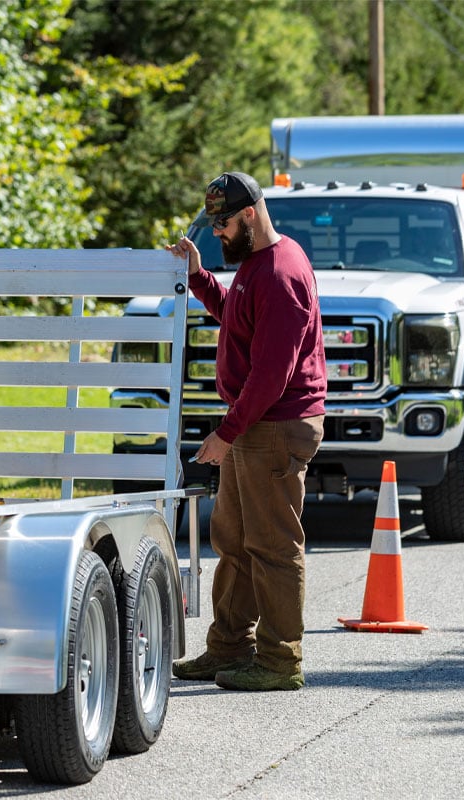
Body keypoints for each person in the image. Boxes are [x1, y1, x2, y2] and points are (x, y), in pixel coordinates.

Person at [166, 171, 327, 692]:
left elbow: (271, 374)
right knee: (233, 540)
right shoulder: (258, 264)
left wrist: (227, 433)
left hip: (273, 427)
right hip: (257, 424)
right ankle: (229, 647)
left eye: (223, 224)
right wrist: (197, 275)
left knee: (273, 546)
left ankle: (281, 660)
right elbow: (235, 316)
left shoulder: (280, 273)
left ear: (250, 216)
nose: (216, 234)